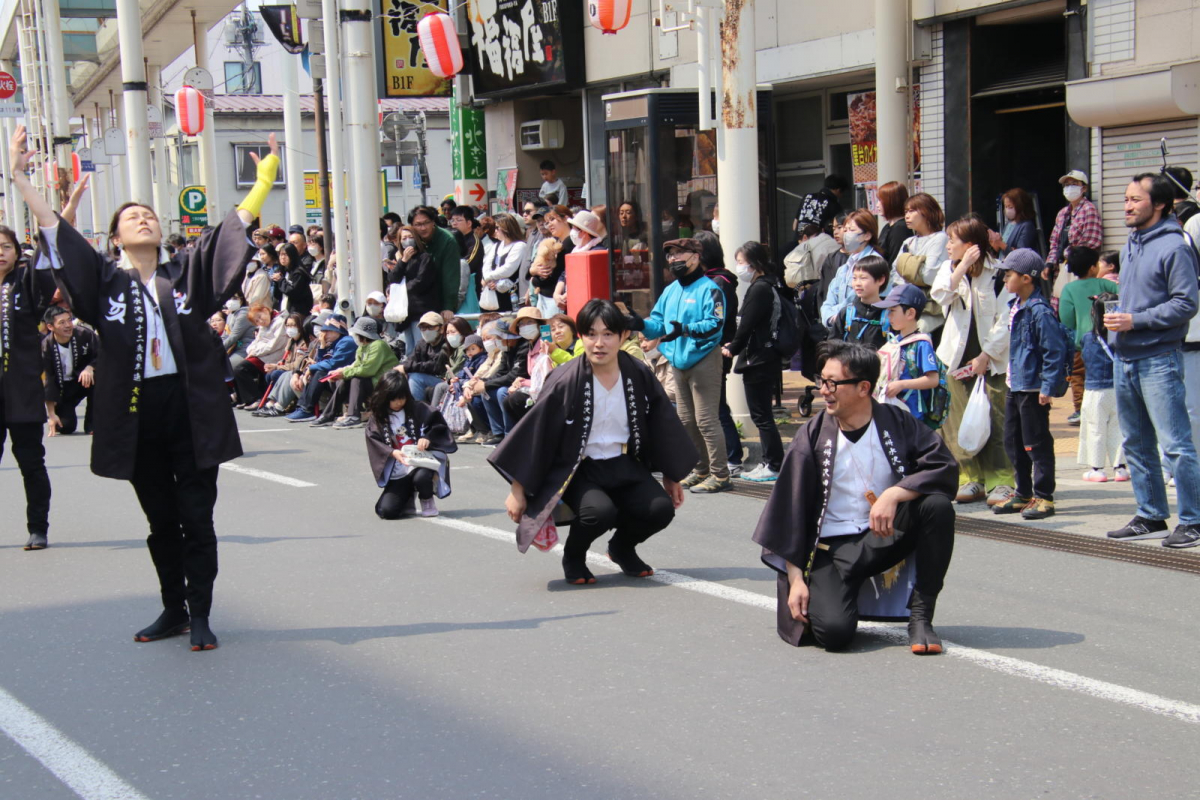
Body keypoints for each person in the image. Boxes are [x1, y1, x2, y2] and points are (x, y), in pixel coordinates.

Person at [15, 125, 282, 649]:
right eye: (131, 217)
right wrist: (21, 177)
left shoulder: (184, 274)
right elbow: (56, 232)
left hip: (189, 409)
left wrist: (265, 178)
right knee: (161, 521)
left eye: (150, 215)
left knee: (196, 518)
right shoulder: (104, 283)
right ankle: (172, 609)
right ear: (114, 238)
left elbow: (236, 226)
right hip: (137, 413)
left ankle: (201, 613)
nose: (144, 218)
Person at [752, 340, 959, 654]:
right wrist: (795, 579)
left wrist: (894, 494)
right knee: (833, 634)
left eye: (833, 383)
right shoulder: (812, 435)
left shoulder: (896, 421)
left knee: (936, 506)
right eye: (822, 381)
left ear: (864, 387)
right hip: (832, 549)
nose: (824, 390)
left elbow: (944, 467)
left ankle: (921, 617)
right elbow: (788, 512)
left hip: (884, 534)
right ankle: (839, 597)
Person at [489, 299, 698, 584]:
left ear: (624, 336)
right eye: (591, 334)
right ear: (581, 336)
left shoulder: (637, 372)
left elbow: (661, 422)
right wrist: (518, 489)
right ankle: (574, 556)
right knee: (599, 513)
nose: (599, 343)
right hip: (579, 468)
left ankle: (622, 547)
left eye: (608, 334)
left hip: (624, 462)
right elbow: (536, 432)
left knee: (660, 509)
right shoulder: (565, 378)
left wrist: (672, 475)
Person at [1105, 173, 1200, 548]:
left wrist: (1135, 320)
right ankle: (1151, 515)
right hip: (1124, 355)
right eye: (1126, 199)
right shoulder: (1131, 243)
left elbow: (1186, 303)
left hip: (1159, 356)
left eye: (1135, 200)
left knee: (1175, 444)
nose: (1127, 206)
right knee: (1136, 443)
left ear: (1159, 204)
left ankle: (1193, 520)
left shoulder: (1175, 246)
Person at [624, 239, 729, 493]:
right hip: (677, 361)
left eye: (679, 253)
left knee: (706, 420)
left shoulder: (710, 289)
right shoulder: (671, 291)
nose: (673, 259)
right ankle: (700, 469)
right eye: (670, 255)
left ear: (695, 256)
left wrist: (685, 330)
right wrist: (640, 324)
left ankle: (721, 474)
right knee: (685, 420)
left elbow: (715, 324)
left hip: (704, 358)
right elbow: (658, 323)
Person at [929, 215, 1015, 506]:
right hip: (955, 358)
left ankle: (1001, 481)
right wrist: (962, 266)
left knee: (995, 420)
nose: (948, 246)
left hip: (991, 360)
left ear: (970, 244)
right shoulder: (948, 268)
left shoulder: (1000, 273)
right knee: (956, 423)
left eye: (953, 241)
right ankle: (969, 479)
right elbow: (940, 295)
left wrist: (986, 355)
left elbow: (1006, 320)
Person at [993, 249, 1069, 521]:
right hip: (1016, 384)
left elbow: (1054, 350)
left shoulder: (1039, 310)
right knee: (1014, 441)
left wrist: (1048, 386)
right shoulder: (1016, 305)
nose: (1004, 279)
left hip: (1034, 387)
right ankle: (1023, 492)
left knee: (1036, 443)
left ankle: (1044, 497)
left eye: (1009, 274)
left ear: (1026, 278)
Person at [0, 222, 56, 550]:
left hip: (21, 390)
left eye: (5, 247)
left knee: (31, 463)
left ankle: (38, 527)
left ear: (17, 253)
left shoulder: (25, 283)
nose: (0, 253)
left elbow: (48, 262)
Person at [723, 241, 785, 482]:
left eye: (741, 262)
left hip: (759, 358)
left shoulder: (760, 288)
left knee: (761, 415)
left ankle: (773, 463)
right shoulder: (772, 283)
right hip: (767, 355)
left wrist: (732, 348)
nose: (739, 267)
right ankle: (771, 462)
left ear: (754, 263)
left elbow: (747, 324)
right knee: (763, 414)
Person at [365, 370, 457, 519]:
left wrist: (428, 438)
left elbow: (439, 427)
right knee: (386, 511)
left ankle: (426, 498)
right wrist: (391, 452)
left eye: (402, 398)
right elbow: (373, 439)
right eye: (393, 399)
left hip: (421, 463)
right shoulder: (379, 417)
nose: (398, 403)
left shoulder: (419, 408)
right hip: (399, 469)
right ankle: (407, 496)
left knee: (421, 477)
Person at [693, 230, 744, 475]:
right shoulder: (713, 280)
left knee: (716, 409)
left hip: (713, 351)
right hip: (707, 351)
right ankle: (723, 458)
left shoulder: (717, 282)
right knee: (713, 408)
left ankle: (732, 458)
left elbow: (715, 321)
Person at [1058, 247, 1117, 425]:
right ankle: (1110, 409)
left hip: (1080, 344)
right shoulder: (1105, 285)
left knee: (1078, 377)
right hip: (1107, 341)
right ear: (1093, 267)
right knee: (1109, 376)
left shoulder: (1069, 289)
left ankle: (1080, 410)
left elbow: (1066, 318)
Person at [872, 283, 943, 425]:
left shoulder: (921, 343)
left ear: (910, 313)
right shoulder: (893, 341)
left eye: (893, 311)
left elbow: (933, 380)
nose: (888, 315)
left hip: (913, 414)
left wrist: (902, 385)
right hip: (891, 408)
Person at [312, 316, 400, 428]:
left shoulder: (378, 345)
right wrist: (340, 373)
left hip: (385, 384)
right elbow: (356, 366)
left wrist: (344, 373)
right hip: (373, 382)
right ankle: (329, 414)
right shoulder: (362, 347)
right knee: (347, 379)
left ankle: (354, 416)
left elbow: (367, 371)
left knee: (357, 378)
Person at [1078, 295, 1128, 483]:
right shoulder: (1122, 338)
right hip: (1118, 389)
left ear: (1094, 313)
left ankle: (1097, 468)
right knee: (1118, 428)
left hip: (1095, 390)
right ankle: (1120, 468)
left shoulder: (1088, 339)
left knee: (1095, 428)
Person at [893, 192, 949, 334]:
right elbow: (895, 275)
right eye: (906, 211)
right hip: (906, 305)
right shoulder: (908, 242)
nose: (907, 216)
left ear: (927, 212)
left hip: (931, 309)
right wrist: (917, 266)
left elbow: (929, 276)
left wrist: (906, 267)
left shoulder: (941, 238)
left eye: (912, 211)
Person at [820, 209, 887, 327]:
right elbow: (828, 301)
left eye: (851, 230)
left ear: (867, 235)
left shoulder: (874, 263)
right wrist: (830, 318)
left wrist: (838, 316)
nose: (846, 234)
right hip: (841, 328)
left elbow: (854, 300)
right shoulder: (845, 267)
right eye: (845, 230)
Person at [286, 313, 357, 422]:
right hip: (333, 377)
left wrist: (312, 368)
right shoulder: (332, 343)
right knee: (316, 372)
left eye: (329, 331)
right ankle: (302, 407)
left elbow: (334, 364)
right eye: (324, 331)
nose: (324, 334)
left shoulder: (347, 341)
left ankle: (307, 409)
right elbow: (321, 362)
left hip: (344, 378)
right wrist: (322, 346)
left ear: (339, 330)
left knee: (319, 372)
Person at [42, 305, 99, 436]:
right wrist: (51, 415)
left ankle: (92, 423)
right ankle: (61, 414)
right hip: (63, 389)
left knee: (99, 377)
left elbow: (101, 353)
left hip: (83, 380)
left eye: (69, 320)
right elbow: (49, 380)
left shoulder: (84, 334)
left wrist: (90, 367)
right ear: (50, 327)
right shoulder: (46, 346)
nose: (68, 325)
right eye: (62, 323)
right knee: (66, 427)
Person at [387, 224, 439, 356]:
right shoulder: (402, 259)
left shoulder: (424, 257)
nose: (407, 240)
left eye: (410, 237)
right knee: (409, 349)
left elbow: (421, 281)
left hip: (420, 310)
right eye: (404, 238)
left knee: (419, 346)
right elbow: (393, 278)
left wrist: (401, 292)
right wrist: (403, 260)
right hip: (406, 312)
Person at [500, 306, 556, 428]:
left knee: (516, 398)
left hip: (548, 389)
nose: (525, 326)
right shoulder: (530, 345)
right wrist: (520, 381)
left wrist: (523, 382)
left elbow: (545, 376)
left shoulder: (546, 342)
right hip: (535, 387)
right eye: (522, 324)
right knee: (507, 400)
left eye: (529, 322)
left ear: (539, 324)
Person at [1046, 170, 1103, 282]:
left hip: (1081, 271)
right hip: (1062, 269)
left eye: (1074, 184)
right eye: (1067, 185)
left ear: (1084, 188)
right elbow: (1054, 242)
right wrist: (1050, 263)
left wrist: (1068, 255)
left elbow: (1090, 243)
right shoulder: (1063, 213)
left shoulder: (1089, 210)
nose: (1070, 188)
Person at [252, 312, 310, 417]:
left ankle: (280, 406)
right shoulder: (291, 341)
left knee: (280, 374)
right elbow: (287, 360)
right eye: (288, 325)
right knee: (272, 374)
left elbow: (297, 365)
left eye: (293, 325)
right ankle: (271, 403)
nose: (290, 328)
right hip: (288, 369)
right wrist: (278, 364)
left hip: (297, 371)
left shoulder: (304, 343)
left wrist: (277, 366)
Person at [828, 254, 891, 349]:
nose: (857, 283)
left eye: (863, 278)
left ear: (881, 280)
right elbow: (833, 345)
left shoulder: (889, 315)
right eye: (854, 278)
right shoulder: (847, 313)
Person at [409, 205, 461, 319]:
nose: (423, 228)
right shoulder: (410, 239)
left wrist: (448, 306)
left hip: (437, 302)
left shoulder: (447, 240)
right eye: (418, 224)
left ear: (433, 222)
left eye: (426, 222)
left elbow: (450, 277)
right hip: (414, 303)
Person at [231, 304, 288, 408]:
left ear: (266, 310)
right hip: (261, 354)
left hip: (272, 356)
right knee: (237, 369)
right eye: (257, 321)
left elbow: (273, 345)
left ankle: (255, 398)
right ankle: (244, 399)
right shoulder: (263, 326)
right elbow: (256, 341)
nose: (260, 322)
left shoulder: (280, 322)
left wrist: (255, 351)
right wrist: (251, 351)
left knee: (240, 369)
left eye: (260, 317)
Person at [399, 311, 452, 404]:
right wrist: (402, 369)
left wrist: (406, 367)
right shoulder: (422, 343)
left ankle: (421, 410)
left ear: (441, 329)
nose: (426, 331)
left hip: (443, 380)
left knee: (416, 378)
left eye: (430, 327)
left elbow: (436, 366)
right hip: (429, 379)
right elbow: (411, 360)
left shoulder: (446, 344)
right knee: (404, 375)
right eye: (423, 327)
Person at [530, 205, 573, 318]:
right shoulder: (557, 242)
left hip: (557, 298)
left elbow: (561, 273)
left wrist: (536, 276)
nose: (549, 225)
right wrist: (533, 270)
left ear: (565, 219)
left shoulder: (570, 243)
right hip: (546, 296)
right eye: (547, 222)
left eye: (552, 220)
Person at [482, 214, 526, 313]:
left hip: (511, 293)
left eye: (497, 228)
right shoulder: (497, 245)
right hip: (494, 292)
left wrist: (488, 278)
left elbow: (508, 269)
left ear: (506, 229)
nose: (495, 231)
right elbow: (487, 265)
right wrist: (488, 279)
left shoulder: (519, 246)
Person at [990, 188, 1043, 257]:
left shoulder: (1027, 226)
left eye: (1010, 207)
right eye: (1006, 206)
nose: (1007, 210)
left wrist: (1000, 243)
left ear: (1020, 207)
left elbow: (1020, 255)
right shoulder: (1008, 224)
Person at [876, 181, 912, 264]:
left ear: (892, 201)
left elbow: (895, 261)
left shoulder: (900, 229)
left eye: (880, 201)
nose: (877, 205)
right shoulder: (888, 226)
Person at [276, 241, 313, 315]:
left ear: (292, 256)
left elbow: (292, 291)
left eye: (285, 254)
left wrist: (280, 280)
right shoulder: (282, 271)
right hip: (283, 309)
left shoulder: (299, 273)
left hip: (297, 312)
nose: (283, 257)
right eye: (281, 254)